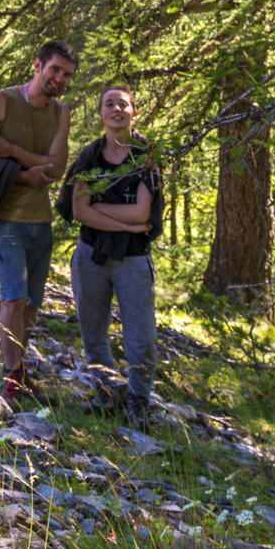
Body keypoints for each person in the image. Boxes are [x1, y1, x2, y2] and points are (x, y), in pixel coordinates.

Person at [0, 39, 76, 407]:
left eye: (67, 74)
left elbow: (55, 169)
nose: (59, 78)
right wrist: (26, 174)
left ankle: (20, 371)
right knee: (14, 297)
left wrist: (11, 153)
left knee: (31, 306)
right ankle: (11, 379)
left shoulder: (61, 113)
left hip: (41, 222)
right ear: (37, 65)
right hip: (6, 217)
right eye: (54, 69)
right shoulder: (1, 101)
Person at [66, 84, 161, 430]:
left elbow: (143, 214)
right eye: (109, 104)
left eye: (123, 104)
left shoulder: (145, 154)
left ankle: (138, 400)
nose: (116, 109)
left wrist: (102, 211)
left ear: (135, 112)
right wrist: (126, 221)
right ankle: (107, 391)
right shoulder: (89, 156)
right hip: (90, 255)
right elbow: (79, 210)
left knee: (141, 337)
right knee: (93, 331)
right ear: (101, 114)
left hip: (134, 259)